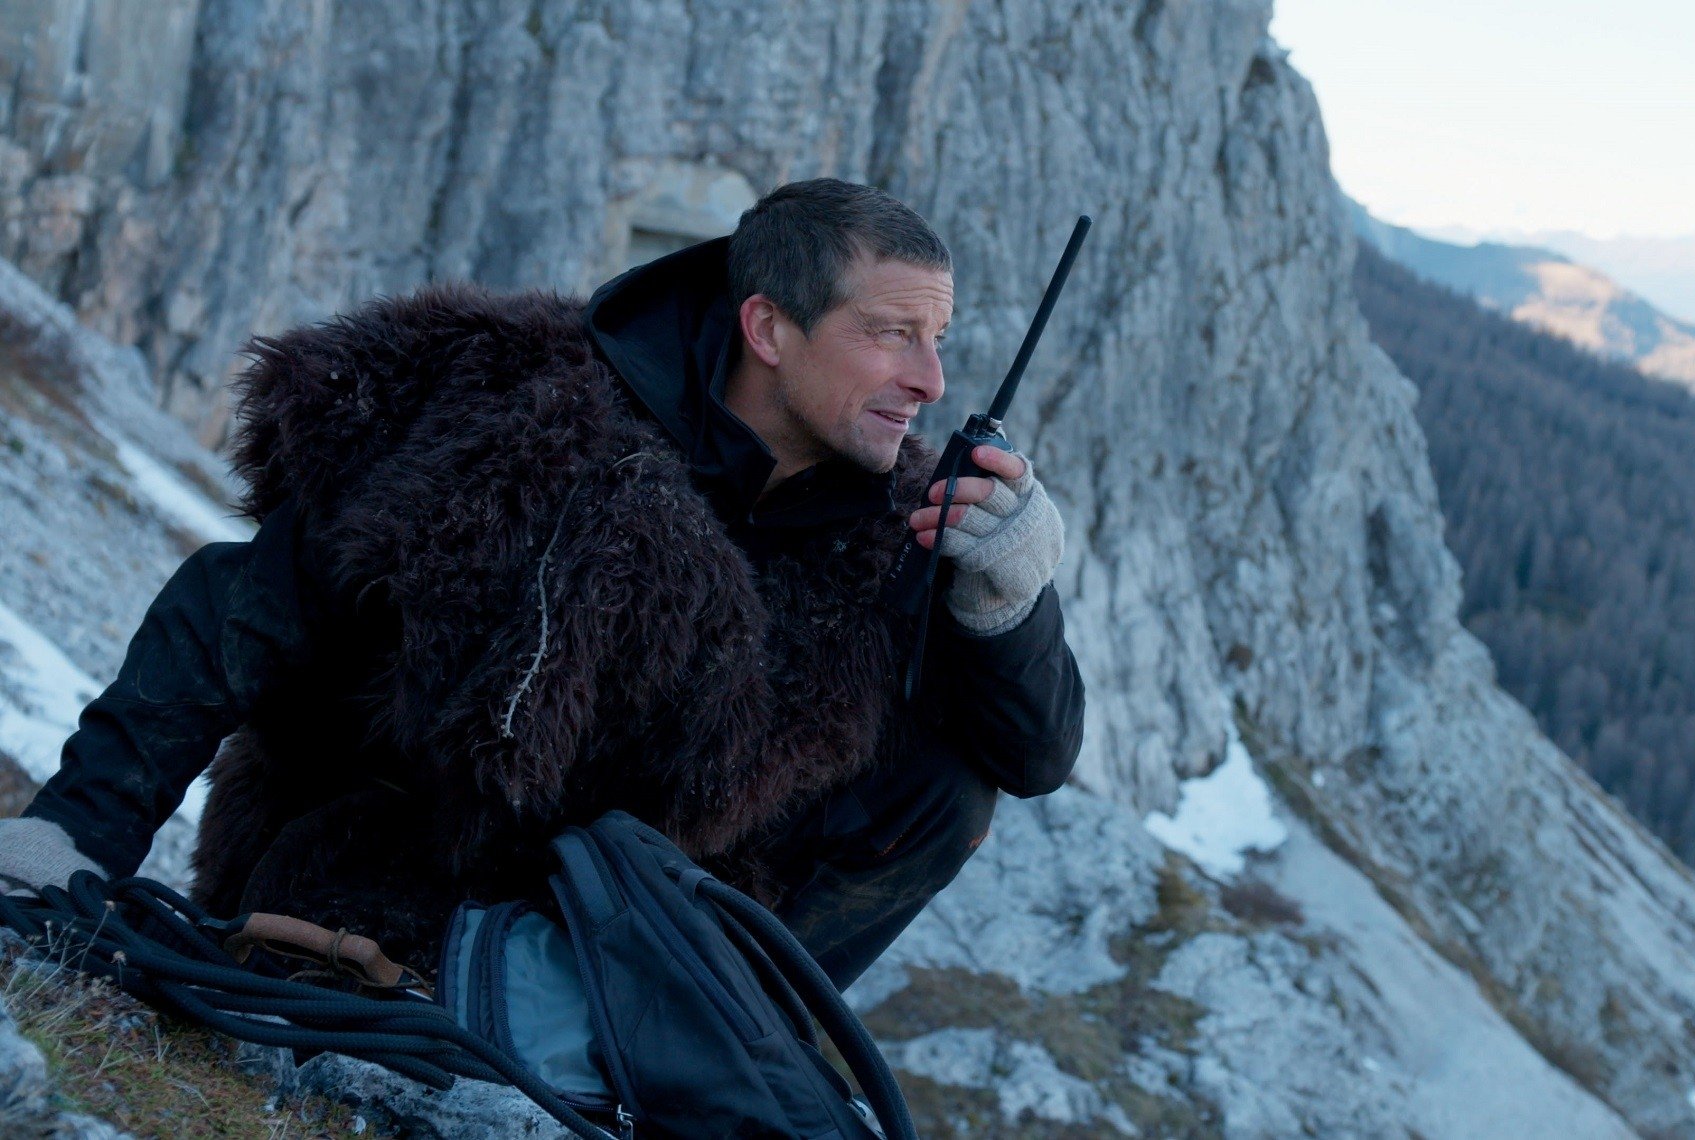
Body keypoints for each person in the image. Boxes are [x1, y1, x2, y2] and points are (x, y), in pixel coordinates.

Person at [0, 178, 1083, 988]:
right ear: (768, 327)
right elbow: (238, 600)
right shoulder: (517, 408)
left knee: (947, 781)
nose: (930, 382)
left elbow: (1029, 760)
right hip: (374, 875)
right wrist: (73, 838)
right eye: (892, 335)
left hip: (637, 951)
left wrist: (1008, 601)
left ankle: (722, 1056)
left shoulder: (902, 526)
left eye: (937, 341)